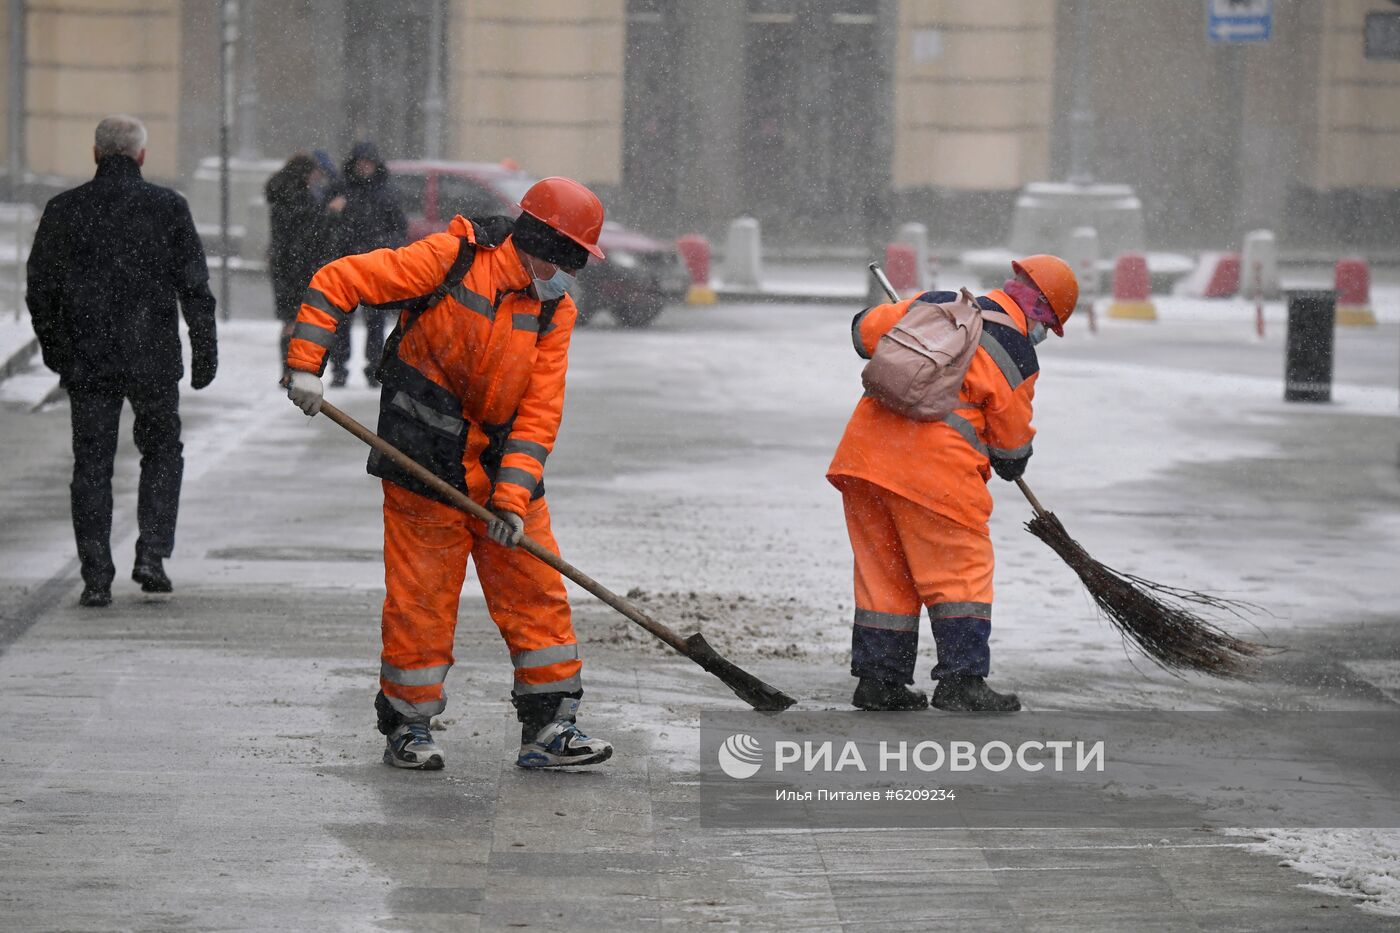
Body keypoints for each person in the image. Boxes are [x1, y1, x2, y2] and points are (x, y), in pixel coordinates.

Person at [283, 176, 612, 772]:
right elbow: (339, 280)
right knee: (422, 602)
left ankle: (551, 725)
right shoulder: (452, 260)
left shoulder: (553, 310)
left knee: (535, 591)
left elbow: (539, 411)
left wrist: (512, 502)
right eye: (568, 257)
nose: (569, 273)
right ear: (540, 241)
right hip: (422, 462)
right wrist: (306, 366)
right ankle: (408, 727)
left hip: (499, 470)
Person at [827, 256, 1078, 712]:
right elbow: (1011, 445)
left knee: (886, 576)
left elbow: (863, 333)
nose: (1044, 333)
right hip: (933, 474)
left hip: (865, 459)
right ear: (1040, 310)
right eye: (1049, 324)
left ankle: (879, 682)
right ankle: (962, 681)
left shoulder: (940, 303)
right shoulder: (1015, 348)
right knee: (962, 571)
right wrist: (1013, 461)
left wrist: (915, 317)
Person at [26, 115, 218, 607]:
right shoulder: (167, 208)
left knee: (91, 463)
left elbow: (40, 289)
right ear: (142, 156)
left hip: (90, 359)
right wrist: (204, 350)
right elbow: (194, 286)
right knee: (161, 452)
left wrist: (57, 350)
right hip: (152, 356)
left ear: (95, 154)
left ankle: (95, 574)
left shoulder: (65, 210)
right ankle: (152, 552)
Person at [331, 140, 407, 388]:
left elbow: (398, 230)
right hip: (347, 264)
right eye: (361, 163)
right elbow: (329, 229)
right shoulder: (342, 191)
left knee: (375, 322)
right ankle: (340, 369)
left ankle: (373, 368)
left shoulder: (386, 194)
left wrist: (381, 246)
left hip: (375, 266)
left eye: (368, 162)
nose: (364, 167)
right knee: (342, 321)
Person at [265, 153, 344, 378]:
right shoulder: (299, 197)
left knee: (289, 319)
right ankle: (293, 369)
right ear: (304, 173)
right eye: (313, 173)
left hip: (283, 264)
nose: (316, 178)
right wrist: (330, 212)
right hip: (298, 265)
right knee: (298, 318)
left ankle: (288, 369)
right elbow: (310, 230)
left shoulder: (280, 194)